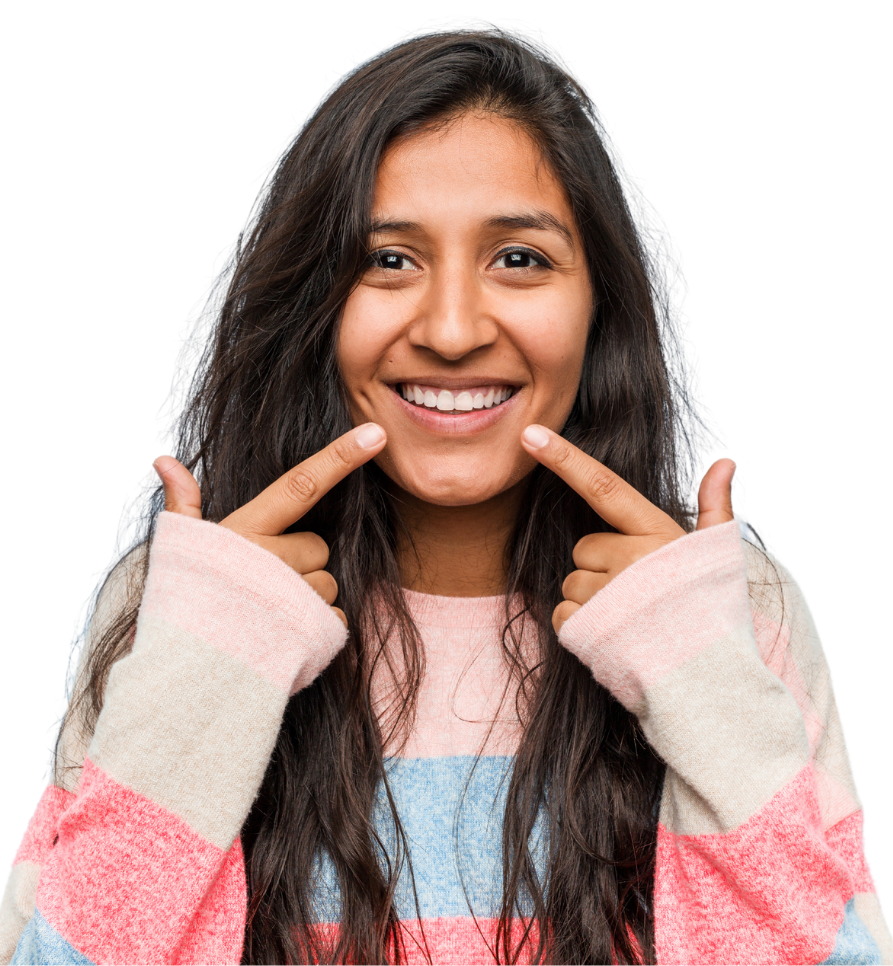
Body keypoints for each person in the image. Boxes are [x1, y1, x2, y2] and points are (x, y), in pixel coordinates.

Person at [1, 15, 889, 966]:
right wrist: (215, 660)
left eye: (519, 258)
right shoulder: (184, 617)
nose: (455, 330)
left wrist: (689, 667)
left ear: (600, 306)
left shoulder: (732, 615)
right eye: (386, 259)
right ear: (313, 304)